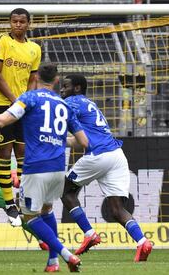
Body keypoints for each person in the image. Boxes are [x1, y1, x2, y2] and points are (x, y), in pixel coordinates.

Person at [0, 63, 88, 272]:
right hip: (58, 168)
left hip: (36, 168)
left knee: (29, 217)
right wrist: (56, 139)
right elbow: (82, 142)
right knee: (47, 211)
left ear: (35, 78)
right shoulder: (64, 105)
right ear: (56, 80)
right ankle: (52, 262)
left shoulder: (29, 98)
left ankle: (66, 254)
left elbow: (2, 120)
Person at [60, 74, 153, 261]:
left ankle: (89, 233)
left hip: (98, 155)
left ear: (77, 88)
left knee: (66, 192)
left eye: (65, 86)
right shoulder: (89, 104)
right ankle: (143, 241)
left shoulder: (71, 102)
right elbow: (79, 141)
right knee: (117, 209)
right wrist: (59, 142)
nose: (62, 90)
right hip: (116, 156)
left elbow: (53, 116)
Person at [0, 8, 41, 226]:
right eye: (14, 21)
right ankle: (10, 205)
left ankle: (22, 199)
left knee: (23, 152)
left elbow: (32, 78)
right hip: (0, 103)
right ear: (10, 23)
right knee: (4, 152)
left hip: (21, 106)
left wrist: (27, 99)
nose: (17, 25)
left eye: (22, 22)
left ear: (28, 23)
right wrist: (15, 100)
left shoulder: (34, 48)